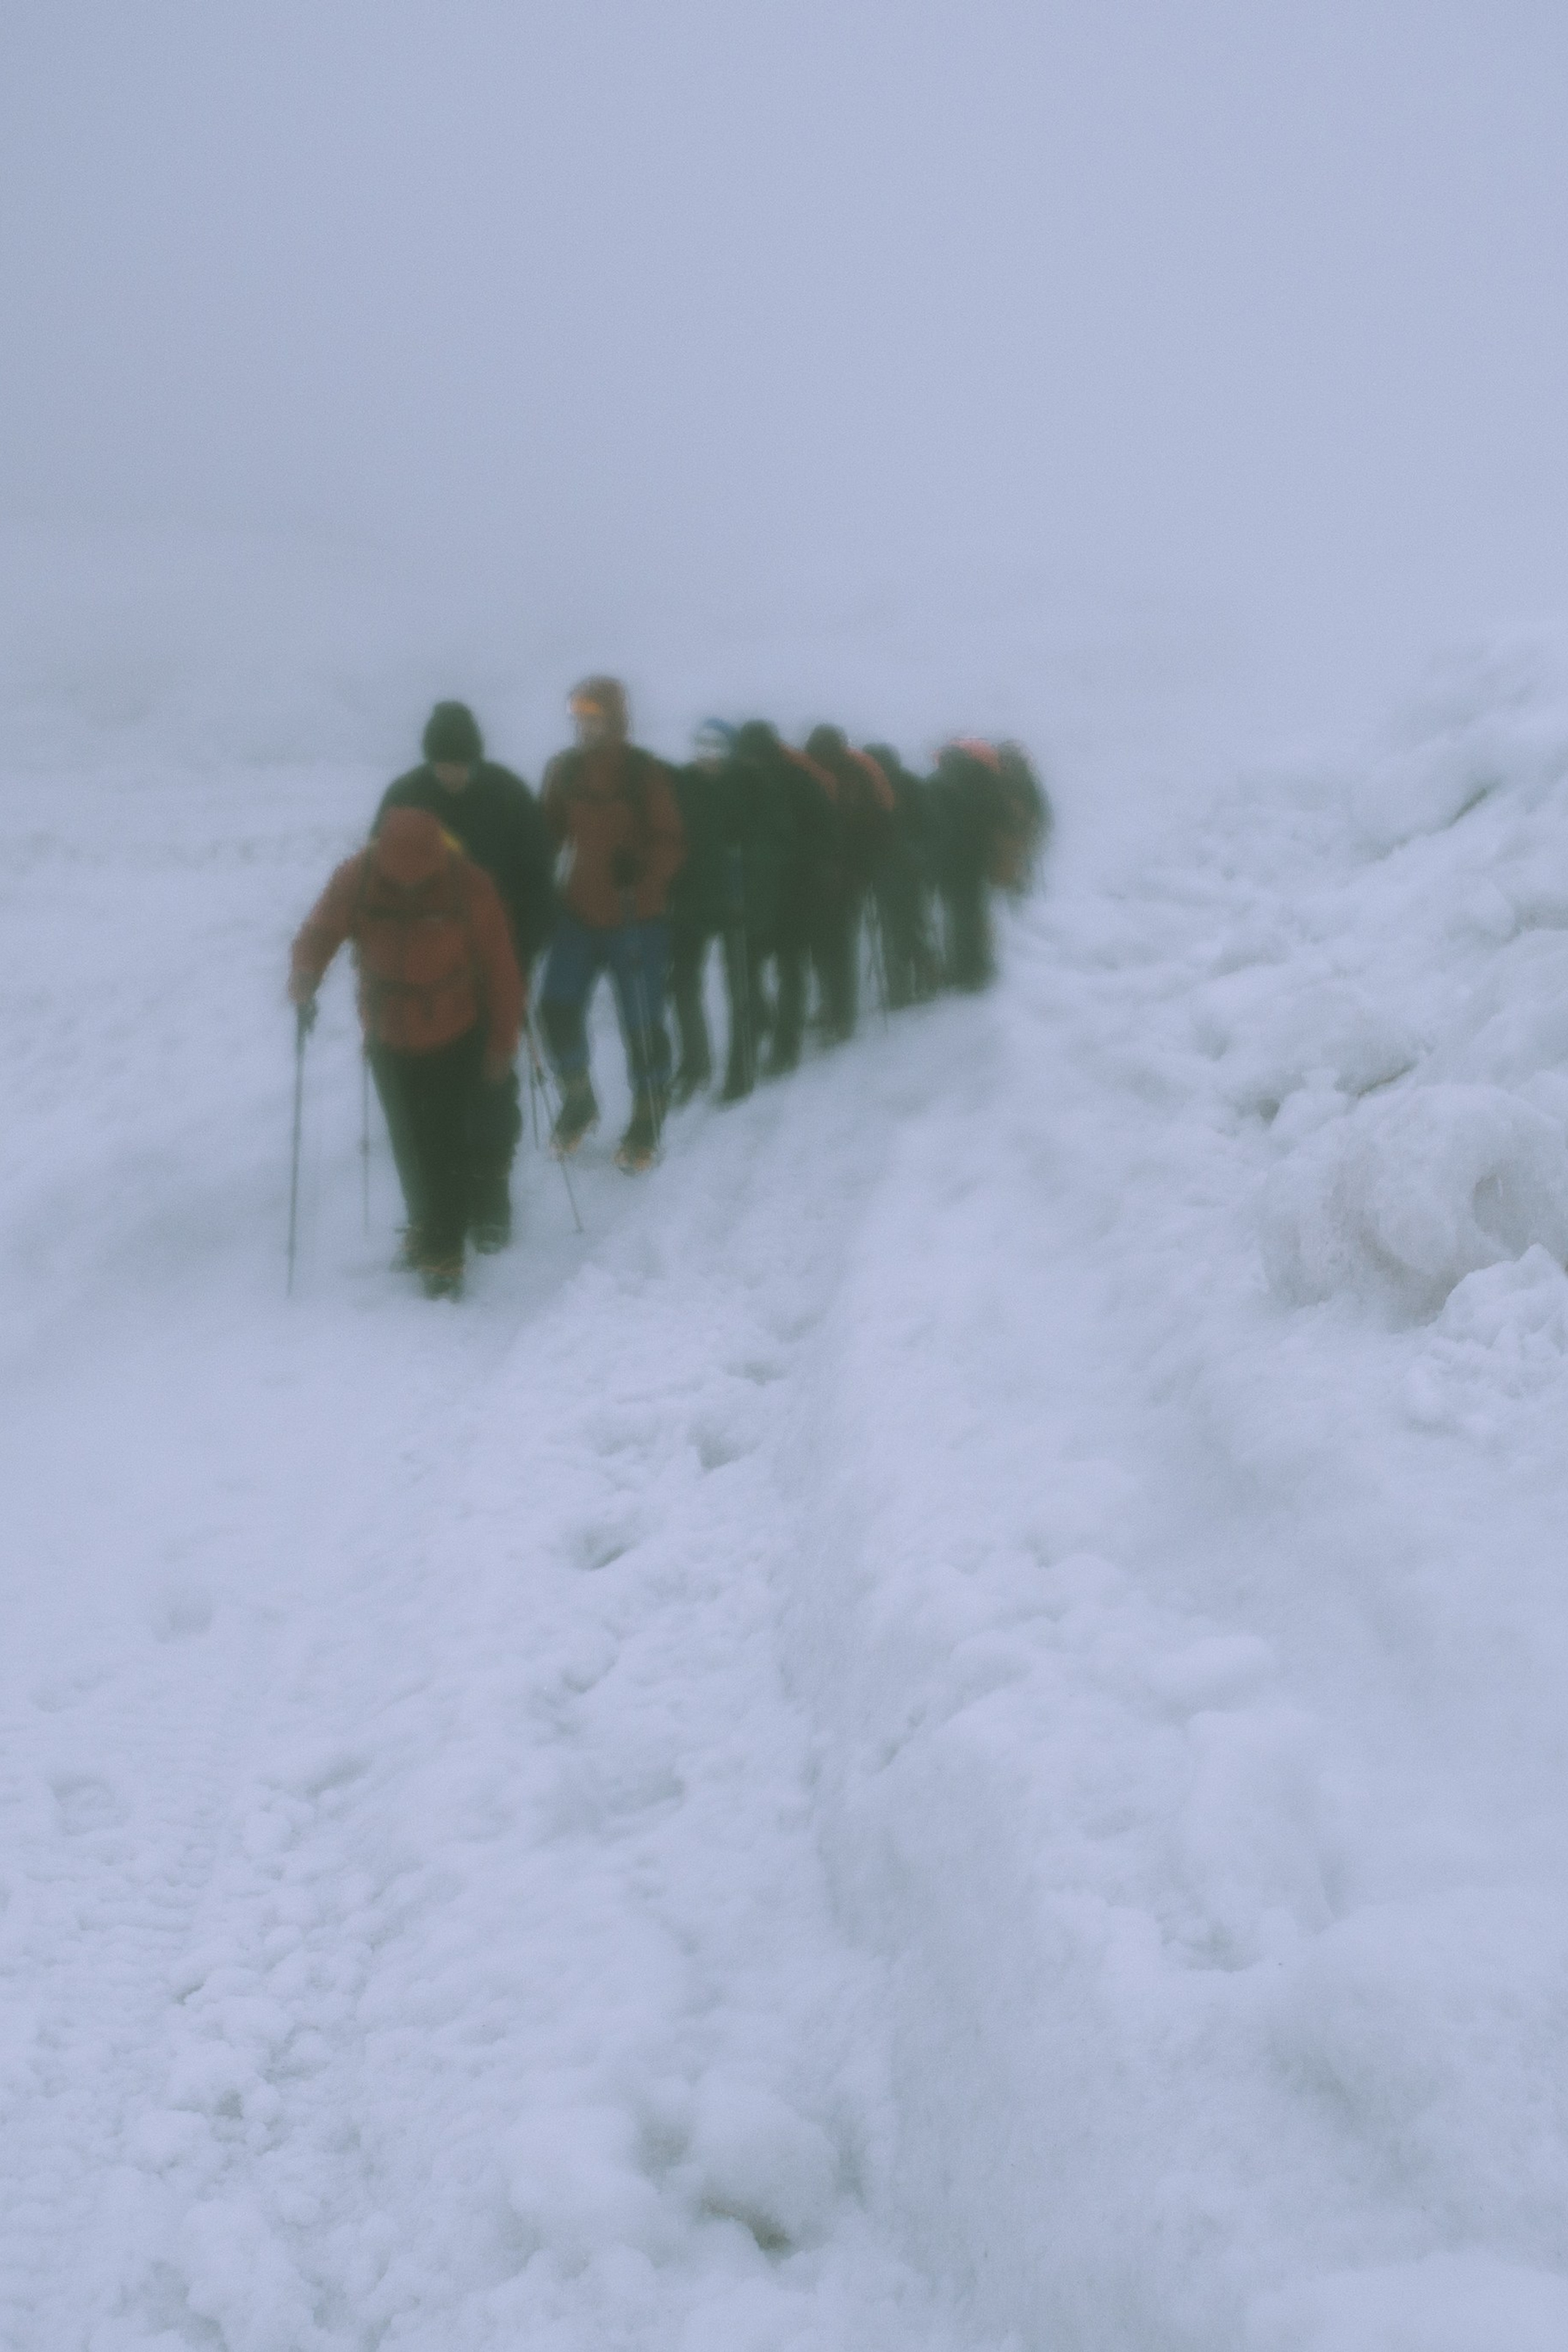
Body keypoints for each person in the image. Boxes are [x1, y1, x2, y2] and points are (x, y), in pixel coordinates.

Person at [288, 807, 524, 1299]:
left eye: (421, 878)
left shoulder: (468, 884)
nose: (411, 888)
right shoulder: (357, 877)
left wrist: (502, 1043)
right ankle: (425, 1222)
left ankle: (445, 1251)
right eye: (401, 878)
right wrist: (304, 978)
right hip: (386, 1034)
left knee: (442, 1142)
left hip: (454, 1031)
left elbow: (501, 968)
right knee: (406, 1138)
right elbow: (321, 930)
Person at [375, 701, 555, 1251]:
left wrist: (519, 957)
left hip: (493, 967)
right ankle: (434, 1209)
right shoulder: (405, 798)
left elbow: (539, 883)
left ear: (476, 758)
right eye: (442, 765)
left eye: (461, 764)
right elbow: (376, 882)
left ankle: (491, 1193)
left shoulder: (507, 796)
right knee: (426, 1100)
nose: (452, 775)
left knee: (492, 1081)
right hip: (421, 981)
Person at [537, 677, 685, 1171]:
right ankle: (579, 1098)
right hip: (579, 913)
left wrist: (642, 875)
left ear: (615, 719)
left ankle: (648, 1113)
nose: (584, 725)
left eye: (594, 716)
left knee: (641, 1021)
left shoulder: (644, 774)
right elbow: (549, 834)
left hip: (636, 917)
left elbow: (671, 842)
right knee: (556, 1009)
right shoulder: (564, 771)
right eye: (578, 717)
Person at [731, 722, 834, 1077]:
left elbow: (824, 833)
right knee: (754, 969)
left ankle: (785, 1044)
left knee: (786, 969)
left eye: (752, 755)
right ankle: (768, 1025)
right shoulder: (744, 783)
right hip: (761, 895)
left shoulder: (797, 783)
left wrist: (800, 859)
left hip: (791, 892)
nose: (749, 762)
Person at [802, 726, 895, 1042]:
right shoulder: (830, 772)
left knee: (836, 943)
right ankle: (835, 1008)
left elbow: (874, 826)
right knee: (826, 944)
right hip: (832, 873)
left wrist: (862, 870)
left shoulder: (848, 774)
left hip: (844, 874)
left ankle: (840, 1012)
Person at [863, 741, 939, 1008]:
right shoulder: (909, 783)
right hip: (907, 867)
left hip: (892, 867)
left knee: (894, 926)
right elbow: (929, 825)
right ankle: (921, 971)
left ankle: (902, 986)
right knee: (907, 923)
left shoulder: (872, 788)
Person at [930, 738, 1008, 990]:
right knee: (974, 912)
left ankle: (961, 969)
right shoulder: (983, 780)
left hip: (948, 859)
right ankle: (980, 967)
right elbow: (998, 815)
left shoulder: (938, 783)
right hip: (977, 856)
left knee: (956, 915)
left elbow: (930, 823)